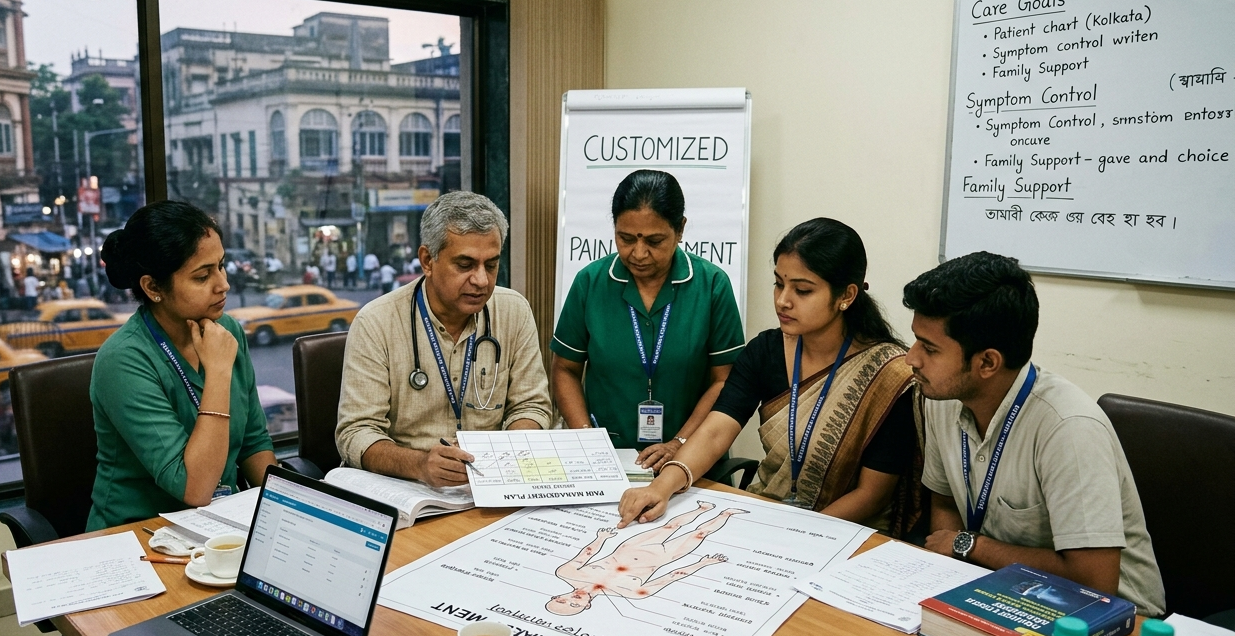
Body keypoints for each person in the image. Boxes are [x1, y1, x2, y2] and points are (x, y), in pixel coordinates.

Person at [618, 219, 922, 537]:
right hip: (771, 513)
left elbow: (872, 495)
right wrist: (662, 487)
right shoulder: (766, 350)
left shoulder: (888, 376)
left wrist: (799, 535)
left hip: (845, 533)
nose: (782, 300)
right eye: (778, 284)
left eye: (802, 290)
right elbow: (716, 431)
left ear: (846, 295)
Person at [904, 252, 1165, 616]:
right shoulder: (942, 397)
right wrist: (950, 576)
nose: (911, 358)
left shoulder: (1069, 429)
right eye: (916, 340)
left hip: (1108, 617)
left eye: (929, 348)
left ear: (987, 362)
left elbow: (1094, 581)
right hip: (999, 590)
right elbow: (946, 500)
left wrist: (969, 545)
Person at [336, 191, 552, 487]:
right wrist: (420, 465)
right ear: (428, 260)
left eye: (491, 265)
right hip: (407, 483)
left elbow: (532, 406)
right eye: (465, 265)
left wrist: (506, 453)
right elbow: (357, 432)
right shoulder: (377, 322)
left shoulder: (513, 310)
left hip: (490, 480)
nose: (481, 280)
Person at [87, 200, 277, 532]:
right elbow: (194, 486)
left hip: (221, 524)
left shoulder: (226, 330)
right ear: (153, 287)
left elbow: (253, 442)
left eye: (221, 266)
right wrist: (218, 372)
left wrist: (285, 508)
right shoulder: (124, 359)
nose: (223, 284)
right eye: (202, 276)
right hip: (139, 534)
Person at [552, 170, 745, 473]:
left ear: (680, 229)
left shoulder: (711, 286)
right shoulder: (590, 282)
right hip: (608, 460)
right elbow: (565, 369)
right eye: (626, 239)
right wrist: (587, 438)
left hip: (692, 460)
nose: (639, 254)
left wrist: (680, 443)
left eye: (655, 241)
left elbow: (724, 380)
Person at [546, 500, 743, 616]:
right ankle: (726, 513)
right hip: (663, 557)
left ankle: (702, 509)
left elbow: (586, 554)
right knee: (699, 534)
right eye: (575, 605)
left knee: (670, 526)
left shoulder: (566, 573)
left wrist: (601, 538)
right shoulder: (632, 593)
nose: (572, 600)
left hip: (632, 547)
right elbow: (671, 577)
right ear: (586, 606)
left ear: (557, 596)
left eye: (563, 601)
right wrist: (702, 563)